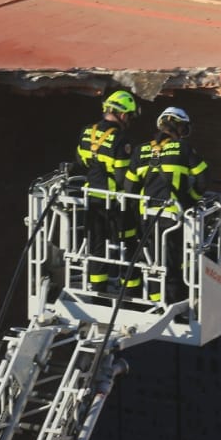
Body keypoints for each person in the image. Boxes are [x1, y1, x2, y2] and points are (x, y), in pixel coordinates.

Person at [126, 106, 211, 305]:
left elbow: (129, 186)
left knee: (153, 261)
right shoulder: (184, 148)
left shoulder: (140, 150)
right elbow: (203, 179)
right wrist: (190, 199)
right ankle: (173, 305)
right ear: (179, 127)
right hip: (173, 218)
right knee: (173, 263)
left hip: (146, 218)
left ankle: (156, 303)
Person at [75, 89, 141, 291]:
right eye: (129, 116)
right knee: (128, 242)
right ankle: (130, 288)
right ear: (122, 114)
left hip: (92, 199)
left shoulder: (87, 131)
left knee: (96, 244)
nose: (129, 121)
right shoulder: (121, 139)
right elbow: (122, 177)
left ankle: (98, 287)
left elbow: (81, 161)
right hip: (115, 203)